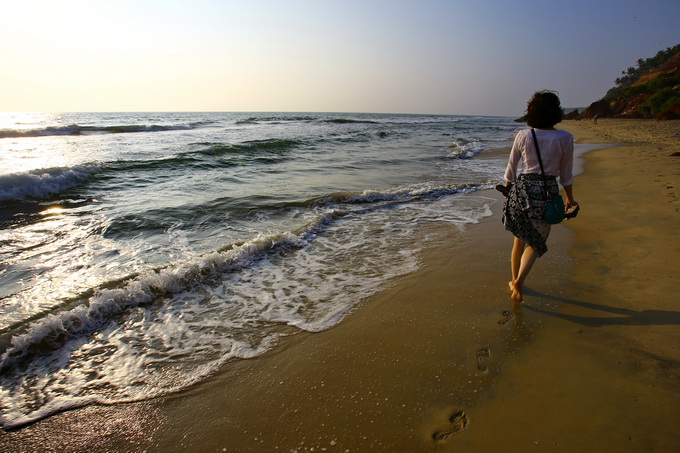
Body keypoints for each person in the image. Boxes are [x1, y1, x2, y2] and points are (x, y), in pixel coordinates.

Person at [502, 91, 578, 303]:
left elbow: (511, 170)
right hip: (546, 192)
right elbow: (566, 174)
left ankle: (514, 281)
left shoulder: (523, 135)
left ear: (531, 112)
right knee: (535, 244)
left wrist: (509, 194)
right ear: (556, 112)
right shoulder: (565, 138)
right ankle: (518, 282)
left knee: (519, 239)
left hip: (522, 190)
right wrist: (570, 199)